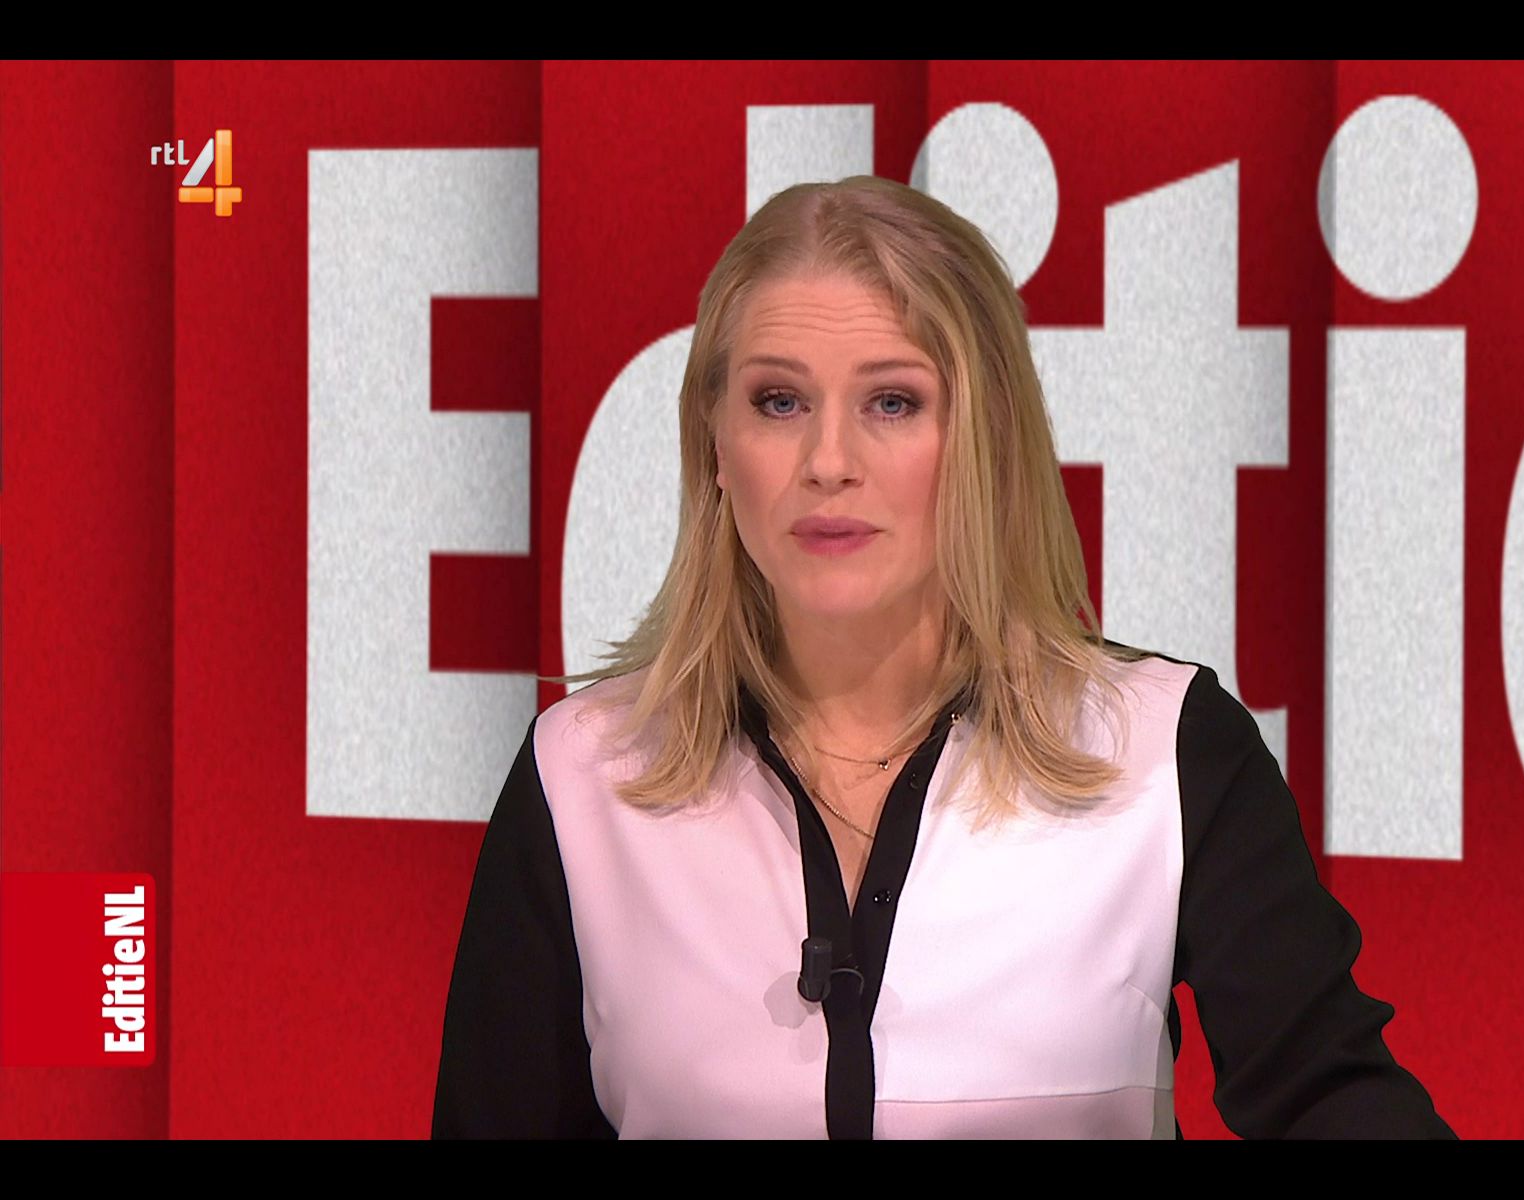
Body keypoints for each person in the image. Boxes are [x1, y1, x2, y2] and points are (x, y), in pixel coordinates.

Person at [431, 175, 1454, 1140]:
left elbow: (1336, 1099)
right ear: (715, 444)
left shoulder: (1163, 750)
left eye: (893, 402)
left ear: (985, 439)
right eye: (779, 402)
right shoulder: (583, 775)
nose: (829, 462)